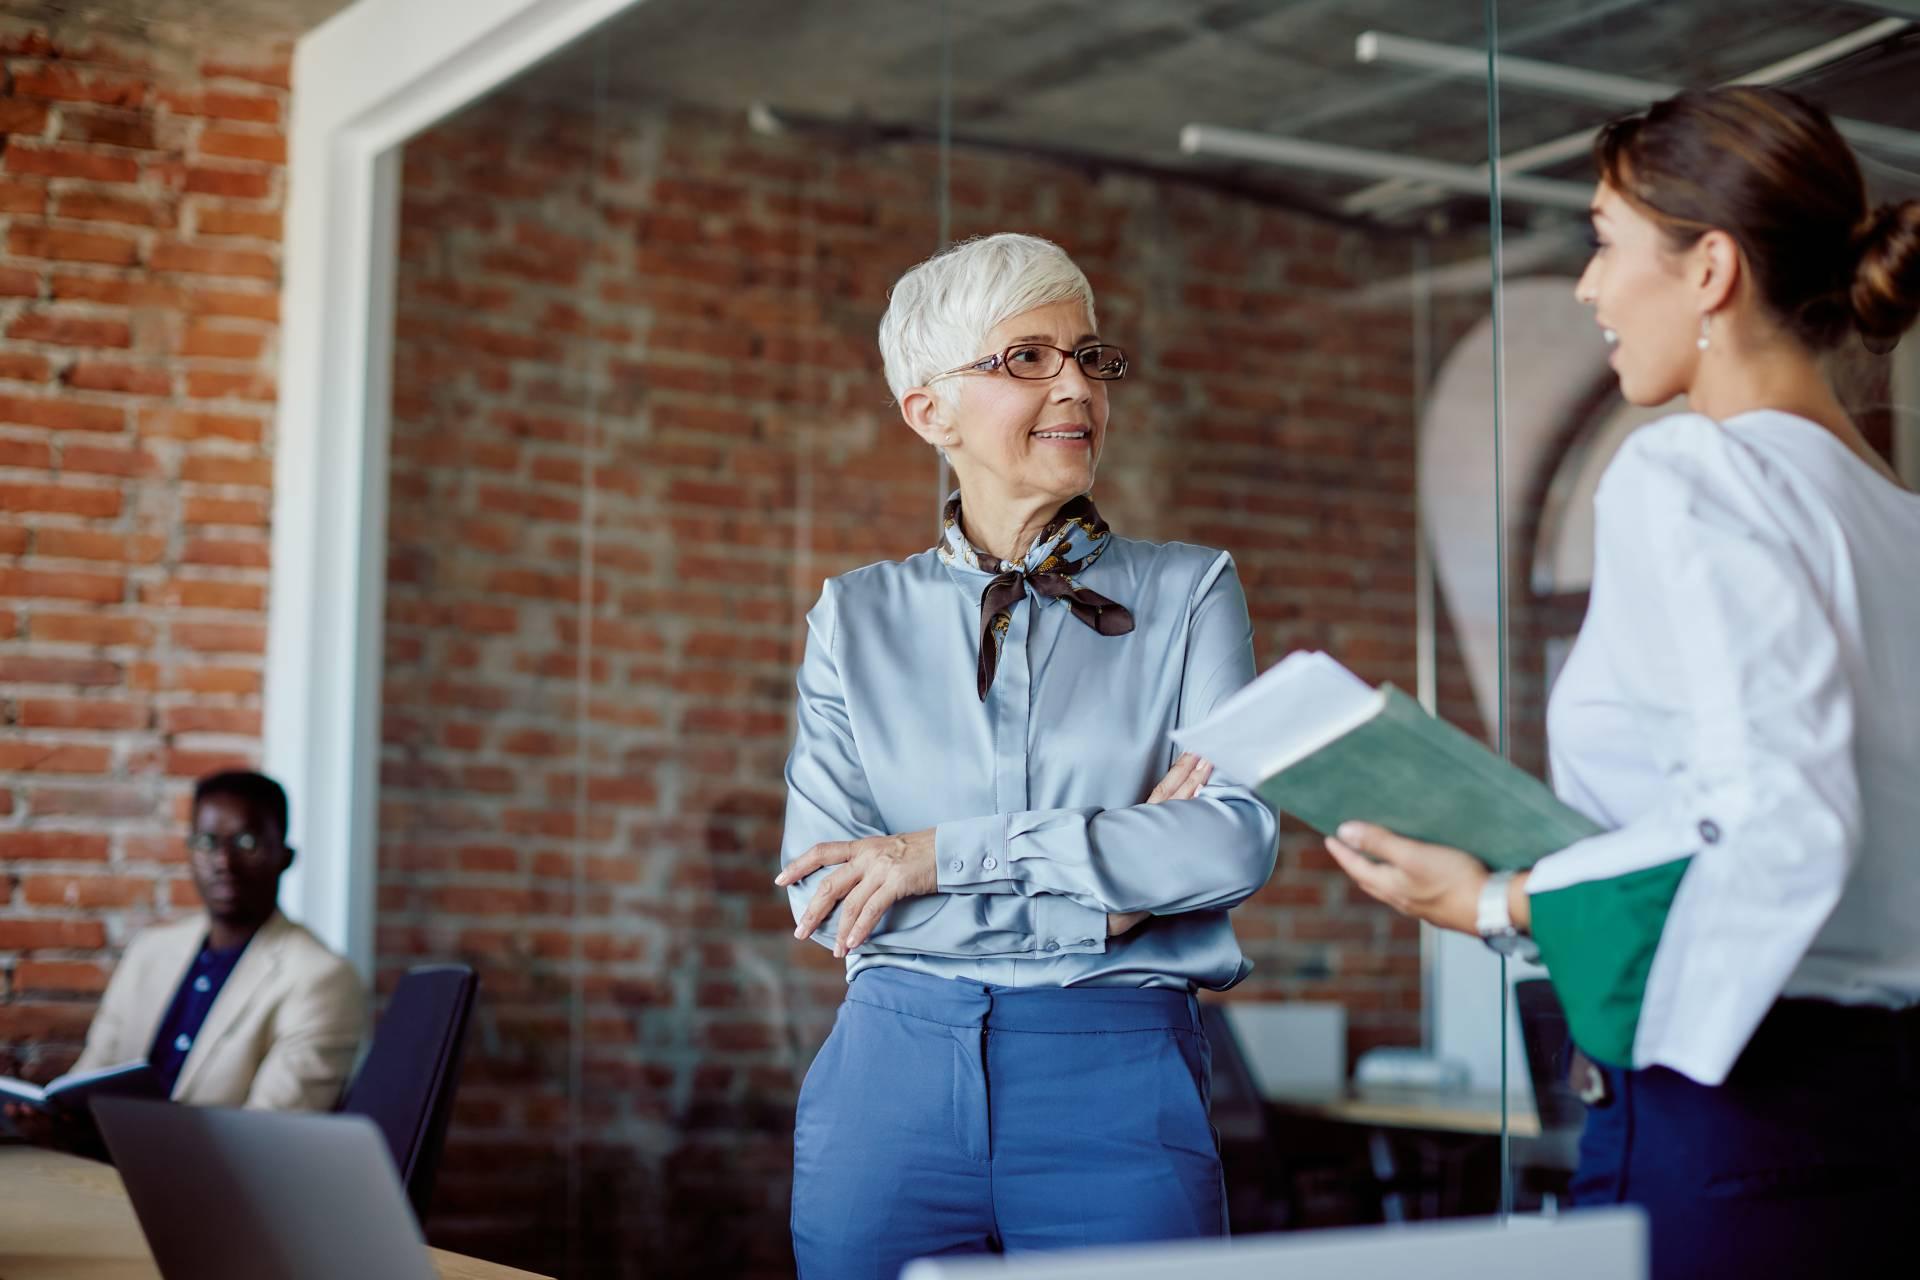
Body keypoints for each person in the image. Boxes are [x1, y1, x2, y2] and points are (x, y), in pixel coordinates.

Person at [1323, 87, 1920, 1279]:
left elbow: (1778, 819)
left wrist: (1500, 900)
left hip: (1738, 1114)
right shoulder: (1902, 522)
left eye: (1603, 242)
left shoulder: (1691, 473)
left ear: (1710, 270)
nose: (1588, 289)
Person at [774, 232, 1279, 1278]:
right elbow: (828, 892)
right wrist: (1112, 885)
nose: (1076, 385)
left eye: (1090, 356)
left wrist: (938, 855)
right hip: (889, 1081)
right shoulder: (854, 615)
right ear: (929, 410)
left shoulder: (1191, 592)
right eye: (1026, 358)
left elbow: (1231, 843)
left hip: (1118, 1077)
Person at [67, 770, 366, 1109]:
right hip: (96, 1157)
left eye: (246, 842)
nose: (223, 862)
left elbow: (271, 1135)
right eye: (207, 842)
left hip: (212, 1163)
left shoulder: (322, 978)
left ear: (285, 856)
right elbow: (89, 1077)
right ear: (189, 852)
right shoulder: (150, 951)